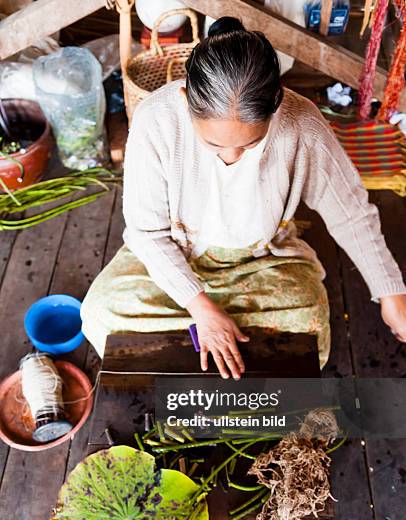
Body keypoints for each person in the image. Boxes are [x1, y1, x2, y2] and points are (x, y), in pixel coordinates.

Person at [81, 16, 406, 379]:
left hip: (263, 258)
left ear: (276, 105)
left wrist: (391, 293)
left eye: (250, 144)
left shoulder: (302, 123)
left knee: (309, 322)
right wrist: (201, 308)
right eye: (215, 144)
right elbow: (146, 234)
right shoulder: (156, 119)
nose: (232, 157)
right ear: (187, 98)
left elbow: (351, 213)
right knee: (101, 312)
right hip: (178, 253)